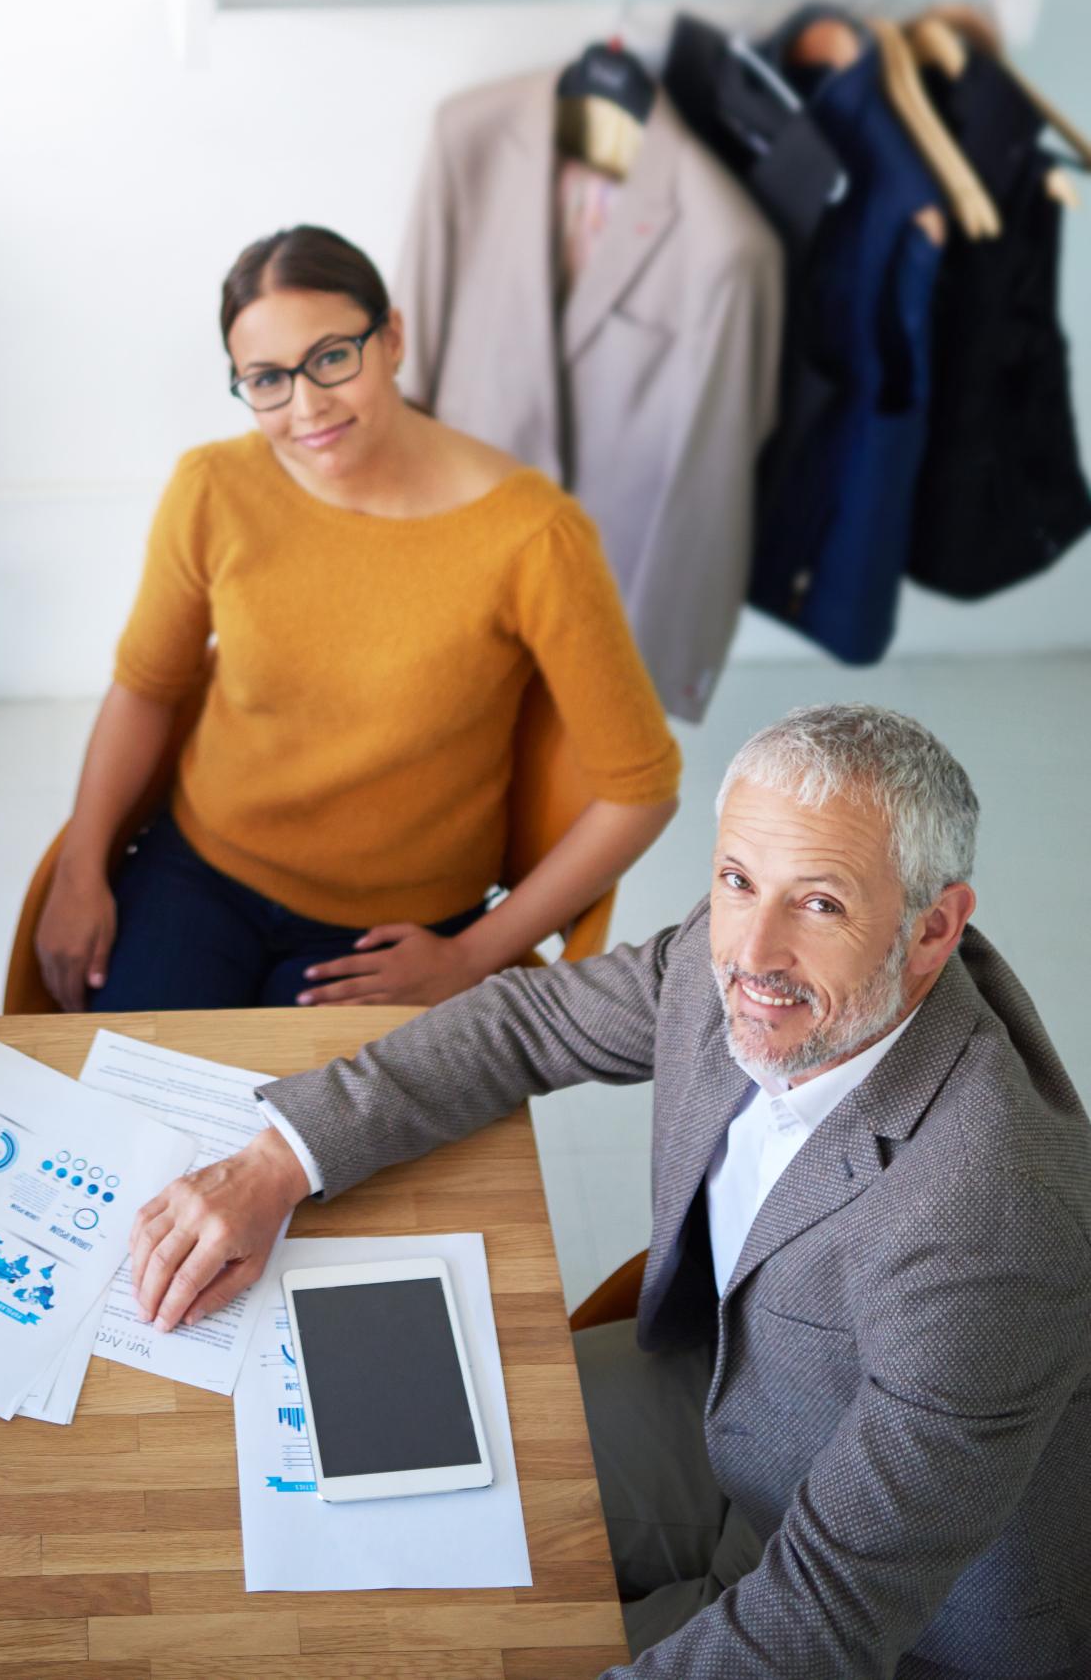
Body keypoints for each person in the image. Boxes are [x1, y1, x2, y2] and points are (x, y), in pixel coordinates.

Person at [129, 704, 1091, 1679]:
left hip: (903, 1619)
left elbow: (831, 1608)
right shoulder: (743, 958)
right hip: (728, 1403)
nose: (750, 954)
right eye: (735, 879)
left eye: (819, 903)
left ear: (931, 929)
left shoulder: (990, 1223)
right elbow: (527, 1020)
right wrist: (277, 1160)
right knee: (365, 1466)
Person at [34, 224, 681, 1013]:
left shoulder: (532, 535)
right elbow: (146, 688)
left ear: (392, 338)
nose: (306, 406)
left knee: (307, 1134)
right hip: (196, 872)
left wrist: (472, 953)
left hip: (390, 930)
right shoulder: (212, 486)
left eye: (332, 357)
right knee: (128, 1117)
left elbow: (640, 791)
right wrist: (80, 866)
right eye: (267, 379)